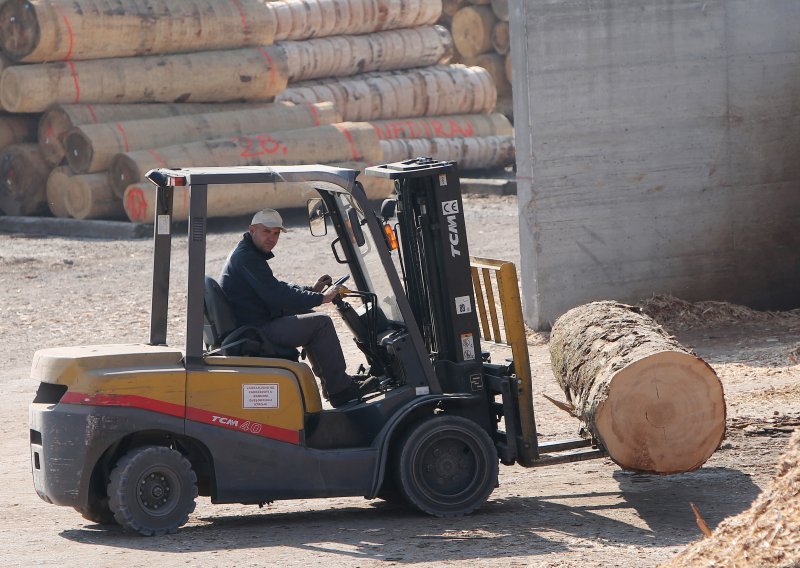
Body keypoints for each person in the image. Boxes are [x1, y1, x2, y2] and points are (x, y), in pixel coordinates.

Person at [219, 208, 374, 408]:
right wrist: (321, 298)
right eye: (267, 232)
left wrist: (311, 289)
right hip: (255, 331)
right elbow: (276, 296)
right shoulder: (247, 258)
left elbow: (275, 287)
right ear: (252, 229)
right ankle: (340, 390)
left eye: (276, 233)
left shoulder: (247, 253)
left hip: (253, 323)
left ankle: (335, 385)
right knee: (321, 323)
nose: (272, 238)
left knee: (309, 318)